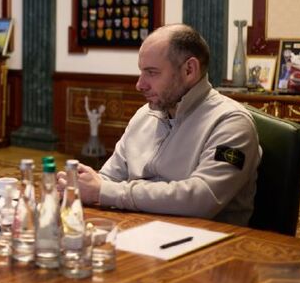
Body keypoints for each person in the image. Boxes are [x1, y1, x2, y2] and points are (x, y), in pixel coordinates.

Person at [58, 24, 261, 226]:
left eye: (152, 72)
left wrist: (105, 191)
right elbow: (109, 178)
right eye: (141, 72)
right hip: (138, 229)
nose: (140, 85)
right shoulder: (144, 115)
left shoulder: (231, 122)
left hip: (210, 239)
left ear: (189, 70)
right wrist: (80, 185)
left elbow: (203, 198)